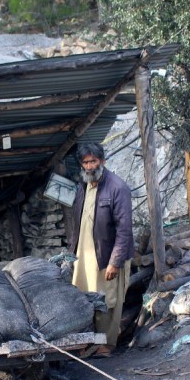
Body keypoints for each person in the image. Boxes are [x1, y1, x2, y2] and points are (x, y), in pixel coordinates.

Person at [68, 142, 134, 357]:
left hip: (107, 256)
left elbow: (124, 230)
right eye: (85, 162)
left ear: (102, 161)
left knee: (108, 301)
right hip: (84, 256)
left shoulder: (118, 188)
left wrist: (115, 261)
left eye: (93, 161)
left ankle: (106, 345)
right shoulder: (83, 186)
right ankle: (89, 342)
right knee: (85, 298)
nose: (89, 166)